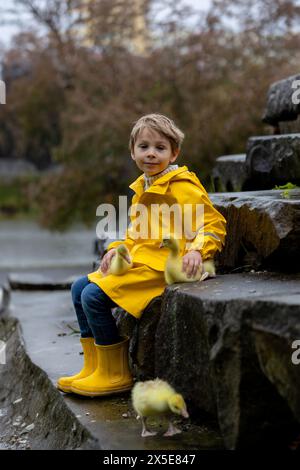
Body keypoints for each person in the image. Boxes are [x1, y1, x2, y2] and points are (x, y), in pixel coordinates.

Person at [57, 113, 227, 397]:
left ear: (174, 154)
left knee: (93, 296)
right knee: (78, 288)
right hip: (142, 260)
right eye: (144, 146)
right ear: (132, 152)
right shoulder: (143, 187)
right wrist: (116, 248)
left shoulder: (181, 185)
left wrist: (198, 250)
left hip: (166, 266)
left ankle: (115, 374)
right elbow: (137, 232)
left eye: (160, 148)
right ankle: (94, 366)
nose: (151, 154)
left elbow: (213, 224)